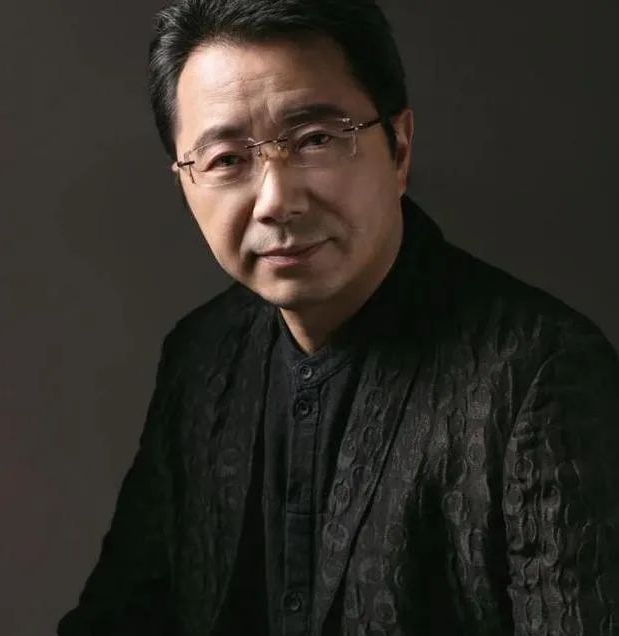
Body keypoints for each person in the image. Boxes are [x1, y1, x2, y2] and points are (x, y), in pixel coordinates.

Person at [57, 0, 619, 634]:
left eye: (316, 140)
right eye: (227, 160)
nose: (276, 201)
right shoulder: (200, 355)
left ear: (399, 148)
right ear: (185, 183)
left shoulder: (539, 373)